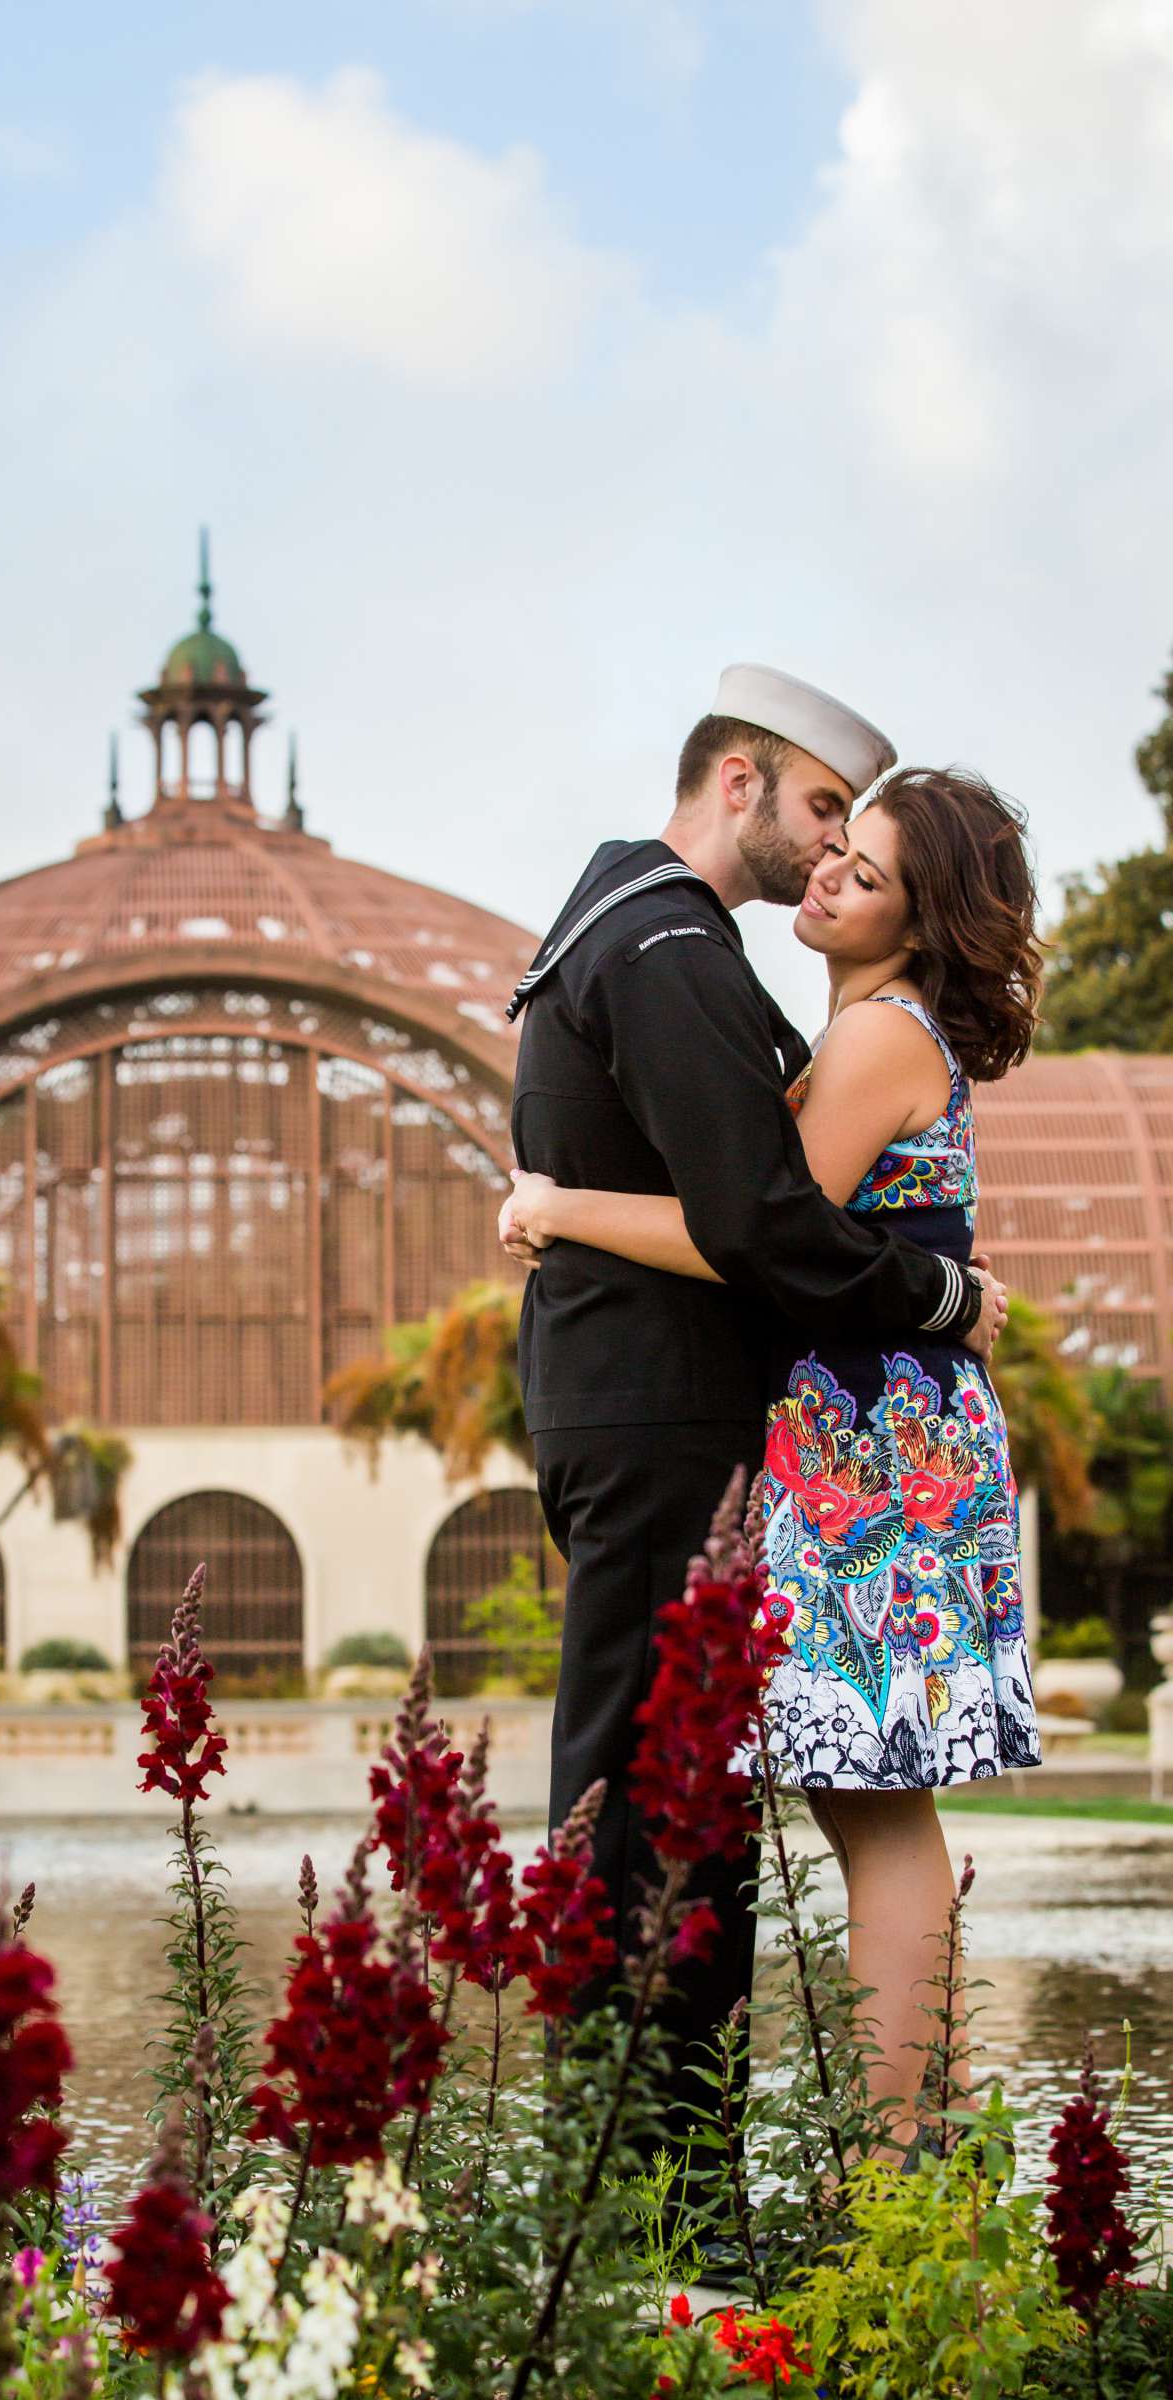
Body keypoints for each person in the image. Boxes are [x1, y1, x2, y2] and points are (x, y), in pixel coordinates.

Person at [500, 664, 1008, 2160]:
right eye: (827, 815)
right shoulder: (671, 943)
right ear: (742, 785)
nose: (834, 854)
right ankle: (883, 2182)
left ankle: (896, 2181)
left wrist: (554, 1206)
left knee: (861, 1806)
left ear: (916, 916)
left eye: (866, 851)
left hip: (866, 1445)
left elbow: (753, 1228)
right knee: (822, 1804)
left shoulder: (825, 1016)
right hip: (833, 1439)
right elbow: (755, 1216)